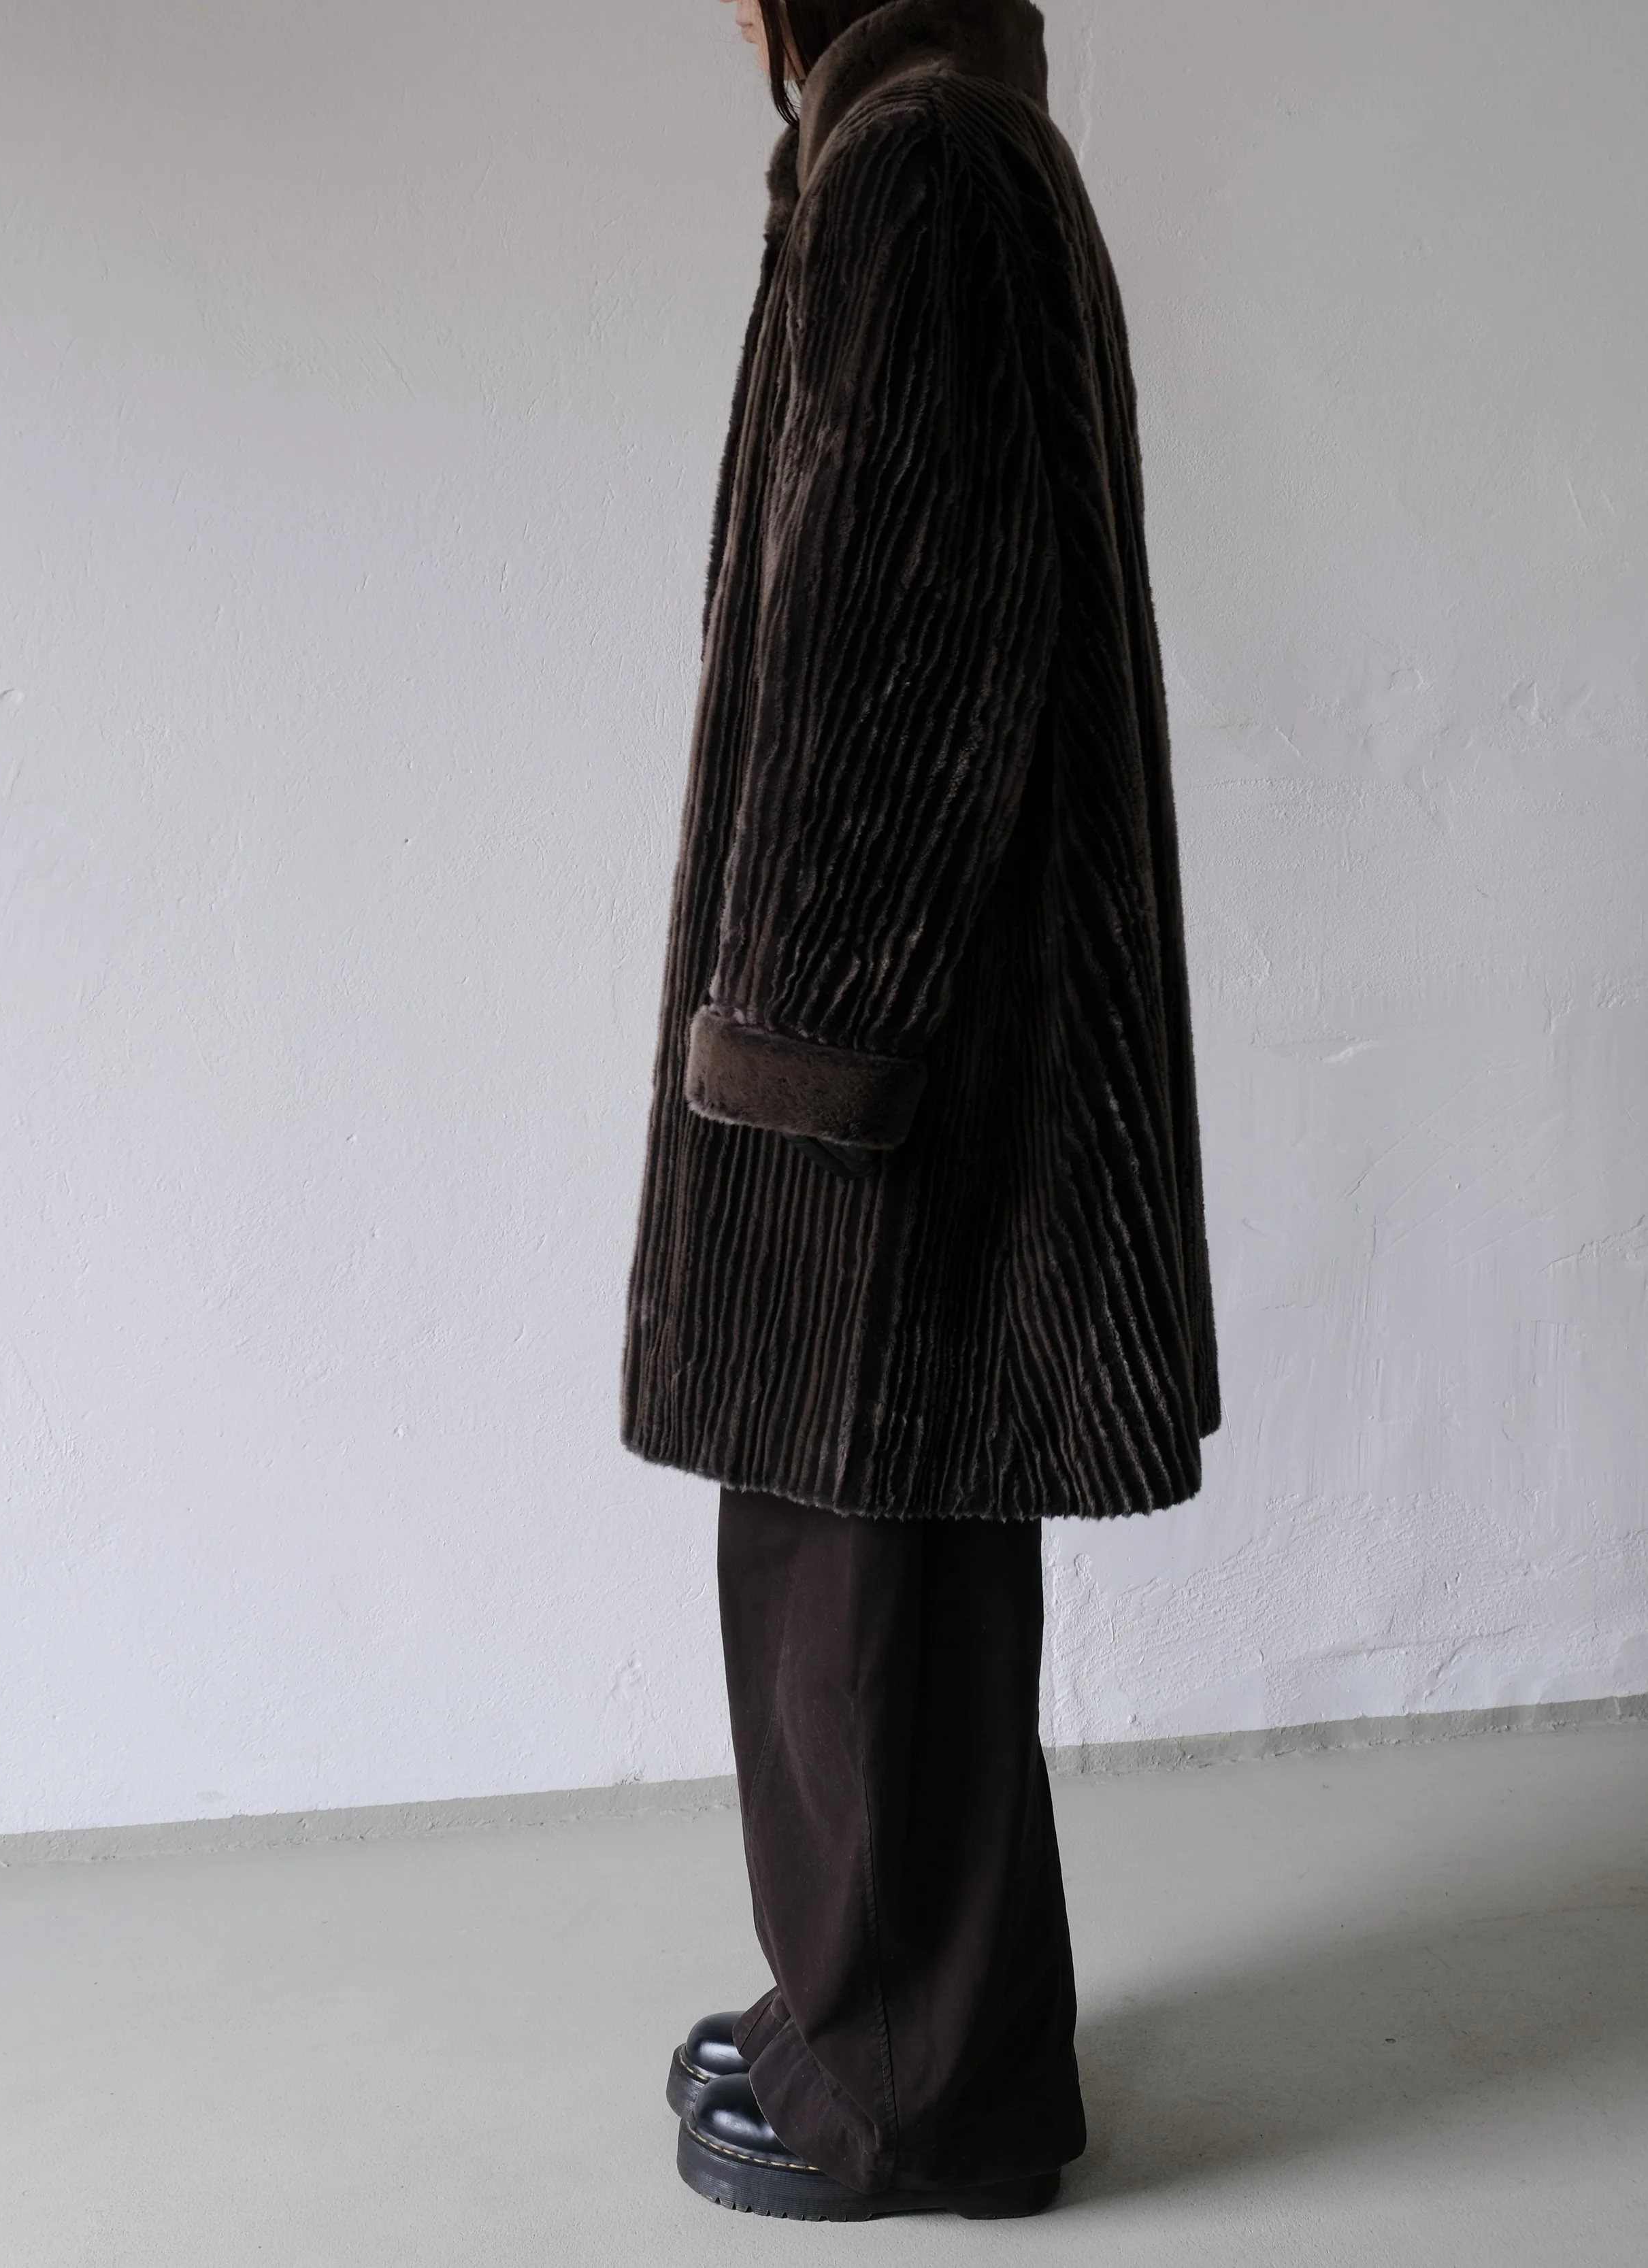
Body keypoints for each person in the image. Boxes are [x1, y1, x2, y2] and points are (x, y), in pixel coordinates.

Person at [622, 0, 1221, 2222]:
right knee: (855, 1539)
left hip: (896, 1035)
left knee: (866, 1542)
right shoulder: (905, 146)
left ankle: (912, 2084)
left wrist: (802, 1030)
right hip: (911, 1010)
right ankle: (863, 2007)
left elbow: (903, 642)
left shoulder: (925, 168)